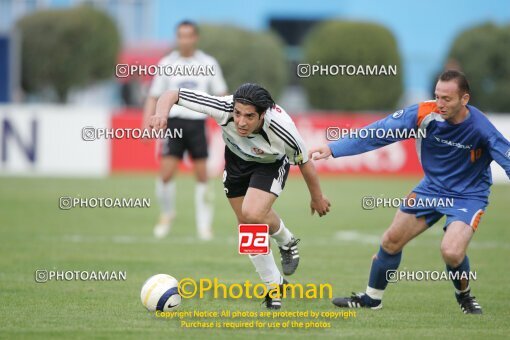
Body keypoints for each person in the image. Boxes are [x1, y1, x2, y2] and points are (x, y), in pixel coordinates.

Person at [309, 70, 510, 314]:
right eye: (437, 96)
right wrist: (334, 148)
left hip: (467, 196)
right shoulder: (424, 114)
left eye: (447, 99)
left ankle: (464, 296)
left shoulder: (481, 128)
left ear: (464, 99)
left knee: (451, 251)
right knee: (391, 241)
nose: (440, 104)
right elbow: (379, 132)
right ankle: (372, 299)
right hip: (431, 189)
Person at [149, 83, 331, 309]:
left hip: (270, 165)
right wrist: (160, 114)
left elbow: (305, 163)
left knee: (252, 212)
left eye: (249, 116)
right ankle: (274, 283)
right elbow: (172, 94)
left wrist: (317, 197)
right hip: (236, 163)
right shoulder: (222, 107)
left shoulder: (284, 130)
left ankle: (285, 245)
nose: (241, 122)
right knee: (248, 225)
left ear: (263, 115)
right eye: (237, 114)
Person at [143, 20, 228, 240]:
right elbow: (154, 95)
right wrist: (146, 123)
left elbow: (221, 94)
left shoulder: (208, 62)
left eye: (189, 35)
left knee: (202, 176)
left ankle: (204, 225)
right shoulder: (167, 62)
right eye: (181, 35)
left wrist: (229, 122)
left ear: (195, 38)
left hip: (198, 125)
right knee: (166, 174)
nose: (185, 39)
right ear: (177, 38)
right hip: (173, 124)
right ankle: (166, 214)